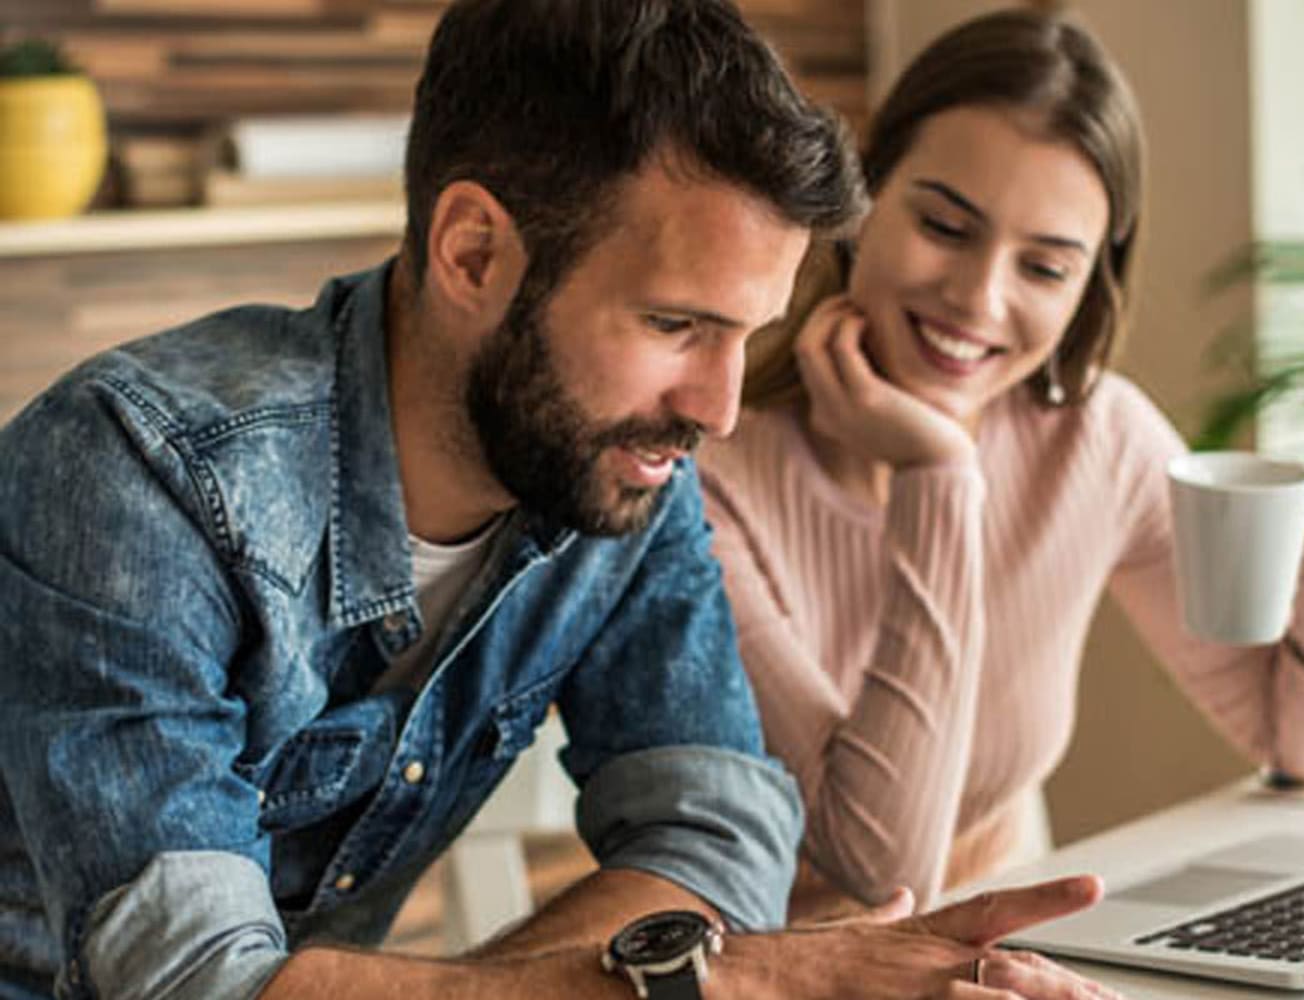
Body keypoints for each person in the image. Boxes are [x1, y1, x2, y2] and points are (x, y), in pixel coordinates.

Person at [0, 3, 1115, 999]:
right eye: (676, 325)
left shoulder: (618, 467)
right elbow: (190, 981)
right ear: (475, 252)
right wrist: (726, 984)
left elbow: (718, 833)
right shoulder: (134, 473)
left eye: (748, 335)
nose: (721, 408)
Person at [698, 8, 1304, 919]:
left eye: (1045, 268)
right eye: (946, 226)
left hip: (1006, 950)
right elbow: (881, 871)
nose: (978, 297)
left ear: (1087, 290)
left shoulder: (1093, 438)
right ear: (864, 197)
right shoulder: (712, 483)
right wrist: (938, 474)